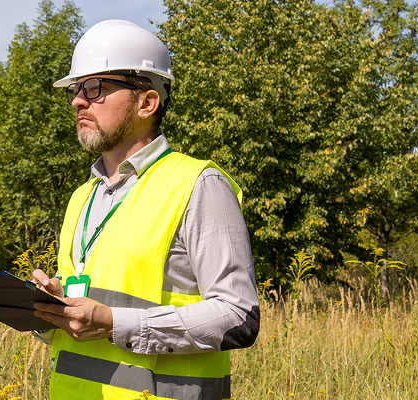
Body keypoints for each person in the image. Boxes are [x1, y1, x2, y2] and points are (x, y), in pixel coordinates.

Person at [28, 20, 260, 400]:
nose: (77, 101)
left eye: (96, 87)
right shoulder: (81, 198)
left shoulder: (199, 184)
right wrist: (50, 305)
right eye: (76, 89)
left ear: (147, 102)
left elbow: (239, 317)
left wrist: (113, 323)